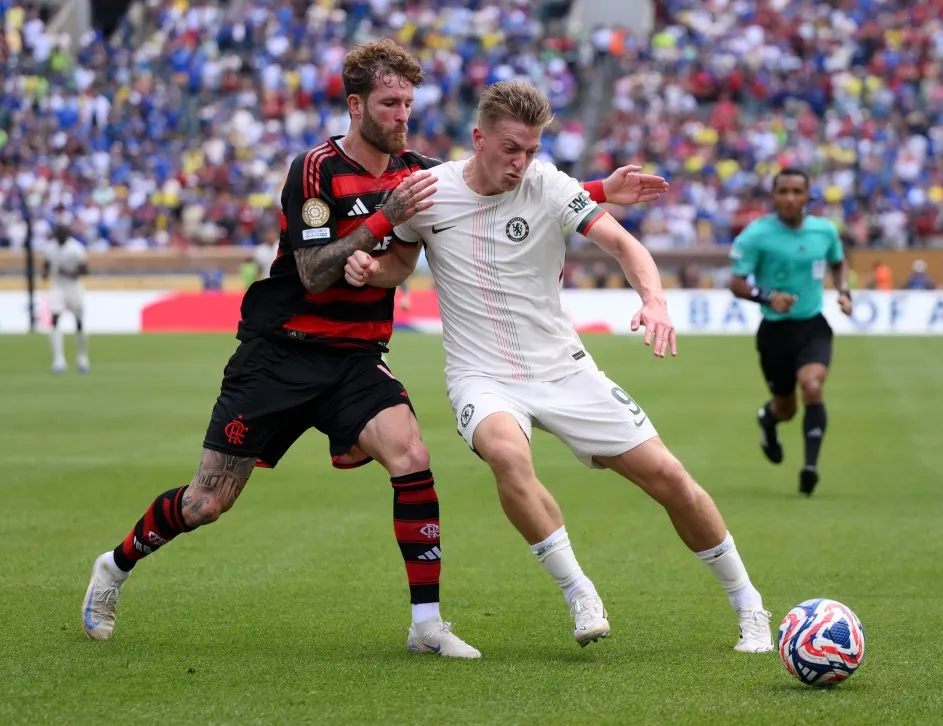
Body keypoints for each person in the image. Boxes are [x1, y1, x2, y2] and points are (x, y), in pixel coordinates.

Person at [80, 41, 666, 657]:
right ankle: (113, 568)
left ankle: (426, 626)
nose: (401, 116)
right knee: (206, 502)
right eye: (389, 103)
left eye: (408, 103)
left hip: (354, 359)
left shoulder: (417, 172)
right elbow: (311, 272)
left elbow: (491, 187)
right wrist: (379, 224)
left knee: (412, 457)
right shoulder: (315, 169)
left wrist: (599, 189)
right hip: (279, 355)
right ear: (356, 105)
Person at [344, 81, 773, 654]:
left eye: (531, 150)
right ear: (480, 139)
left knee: (669, 478)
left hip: (563, 369)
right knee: (505, 453)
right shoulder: (428, 193)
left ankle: (749, 606)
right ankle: (579, 591)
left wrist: (655, 301)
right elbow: (399, 262)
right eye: (511, 148)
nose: (521, 162)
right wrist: (372, 273)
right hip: (483, 376)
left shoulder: (550, 186)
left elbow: (624, 245)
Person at [727, 168, 852, 496]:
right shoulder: (756, 235)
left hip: (812, 325)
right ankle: (767, 421)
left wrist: (844, 292)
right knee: (787, 409)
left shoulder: (824, 231)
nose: (789, 198)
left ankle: (810, 468)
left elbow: (838, 263)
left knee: (812, 386)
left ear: (808, 196)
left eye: (797, 191)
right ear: (773, 196)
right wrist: (767, 297)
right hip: (775, 333)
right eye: (783, 191)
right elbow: (737, 282)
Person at [42, 225, 89, 374]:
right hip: (57, 286)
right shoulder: (49, 248)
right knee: (55, 318)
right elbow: (46, 265)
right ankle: (58, 359)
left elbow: (85, 271)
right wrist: (45, 273)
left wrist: (68, 272)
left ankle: (82, 357)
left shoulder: (76, 249)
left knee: (79, 321)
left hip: (73, 286)